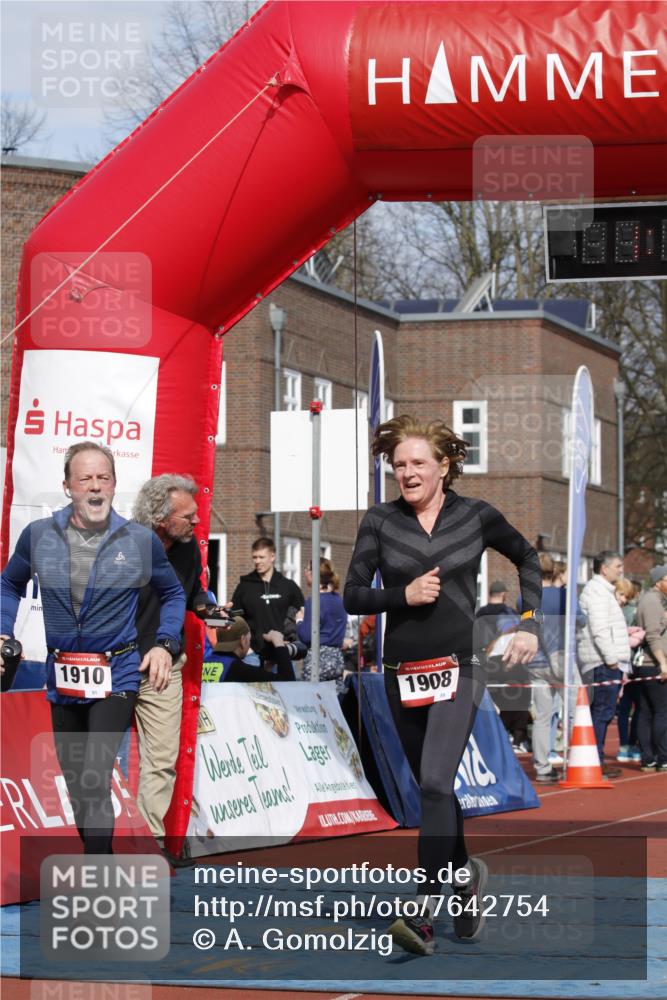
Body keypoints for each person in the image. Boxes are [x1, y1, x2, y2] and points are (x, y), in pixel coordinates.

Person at [344, 414, 541, 956]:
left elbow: (527, 557)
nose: (407, 473)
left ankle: (422, 911)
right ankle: (464, 881)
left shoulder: (475, 516)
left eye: (418, 464)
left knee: (433, 782)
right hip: (398, 675)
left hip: (460, 666)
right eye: (399, 465)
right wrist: (400, 597)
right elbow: (354, 594)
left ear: (445, 465)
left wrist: (528, 623)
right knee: (435, 791)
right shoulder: (380, 521)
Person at [0, 442, 185, 853]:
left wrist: (163, 644)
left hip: (116, 673)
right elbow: (9, 584)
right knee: (77, 785)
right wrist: (2, 630)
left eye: (104, 478)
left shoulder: (138, 541)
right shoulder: (38, 536)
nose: (96, 487)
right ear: (67, 486)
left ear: (115, 485)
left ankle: (97, 873)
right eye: (85, 479)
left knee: (94, 775)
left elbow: (173, 594)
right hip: (63, 674)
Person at [132, 474, 217, 846]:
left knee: (162, 760)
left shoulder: (187, 549)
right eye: (188, 517)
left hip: (166, 666)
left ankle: (146, 843)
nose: (197, 523)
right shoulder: (124, 546)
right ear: (161, 519)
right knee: (96, 759)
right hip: (118, 664)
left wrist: (210, 610)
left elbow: (193, 593)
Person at [576, 551, 630, 778]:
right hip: (603, 662)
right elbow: (599, 629)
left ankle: (596, 758)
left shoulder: (603, 592)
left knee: (604, 711)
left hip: (604, 660)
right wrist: (611, 660)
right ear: (604, 568)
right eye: (618, 566)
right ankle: (595, 759)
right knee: (602, 711)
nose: (621, 570)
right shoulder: (597, 592)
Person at [476, 581, 532, 755]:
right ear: (504, 594)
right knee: (518, 702)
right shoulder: (509, 614)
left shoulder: (480, 614)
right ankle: (517, 738)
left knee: (495, 703)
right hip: (509, 658)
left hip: (489, 660)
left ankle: (498, 737)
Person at [231, 537, 305, 665]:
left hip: (283, 653)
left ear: (272, 556)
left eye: (261, 557)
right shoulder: (245, 586)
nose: (257, 561)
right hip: (253, 654)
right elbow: (235, 618)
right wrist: (245, 648)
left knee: (286, 685)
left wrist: (293, 640)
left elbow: (302, 616)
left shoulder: (288, 586)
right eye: (255, 557)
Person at [634, 565, 667, 772]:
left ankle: (648, 757)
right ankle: (662, 756)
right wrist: (663, 663)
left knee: (646, 712)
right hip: (653, 665)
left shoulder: (654, 600)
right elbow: (653, 635)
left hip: (647, 664)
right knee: (661, 711)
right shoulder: (652, 601)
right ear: (658, 581)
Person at [297, 558, 347, 692]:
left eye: (307, 569)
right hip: (337, 658)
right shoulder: (339, 600)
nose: (305, 573)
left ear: (313, 574)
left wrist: (300, 621)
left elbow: (306, 636)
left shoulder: (314, 601)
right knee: (334, 705)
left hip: (318, 658)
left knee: (313, 703)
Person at [202, 618, 296, 682]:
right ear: (243, 640)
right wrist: (279, 644)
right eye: (249, 640)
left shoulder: (203, 664)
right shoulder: (236, 668)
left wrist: (267, 669)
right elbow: (287, 682)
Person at [614, 578, 644, 763]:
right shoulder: (633, 611)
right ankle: (631, 743)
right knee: (637, 706)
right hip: (632, 662)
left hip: (622, 661)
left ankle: (626, 744)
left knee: (624, 707)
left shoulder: (620, 609)